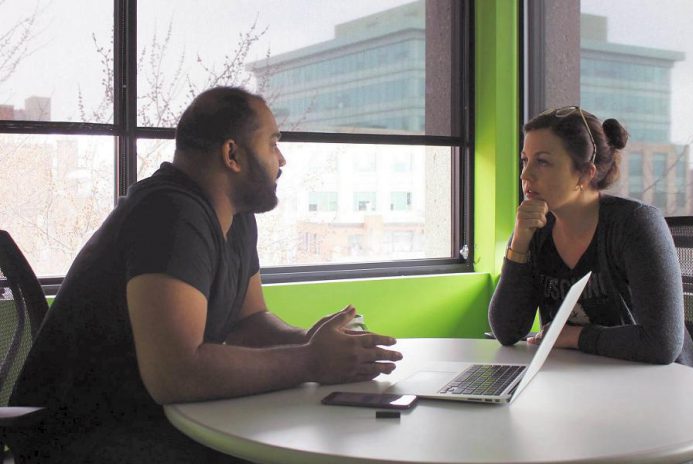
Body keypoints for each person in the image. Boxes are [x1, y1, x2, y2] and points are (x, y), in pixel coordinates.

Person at [9, 87, 403, 463]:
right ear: (233, 154)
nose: (281, 159)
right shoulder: (171, 214)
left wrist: (318, 344)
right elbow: (175, 374)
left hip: (144, 418)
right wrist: (310, 362)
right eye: (272, 143)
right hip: (80, 434)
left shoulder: (237, 217)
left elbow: (249, 323)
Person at [488, 105, 693, 367]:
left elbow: (661, 344)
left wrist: (576, 336)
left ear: (585, 173)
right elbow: (507, 332)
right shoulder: (534, 230)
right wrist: (519, 244)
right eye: (525, 160)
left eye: (542, 161)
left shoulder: (634, 224)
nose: (525, 174)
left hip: (655, 383)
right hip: (582, 379)